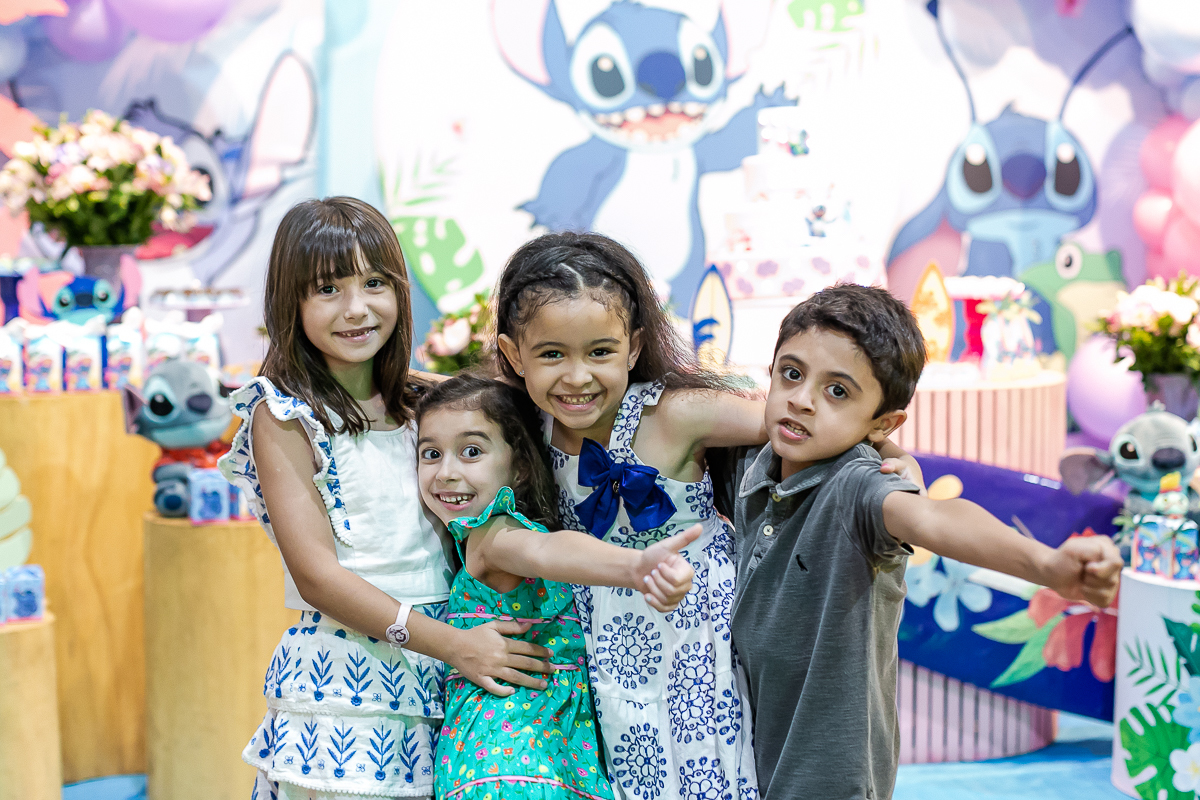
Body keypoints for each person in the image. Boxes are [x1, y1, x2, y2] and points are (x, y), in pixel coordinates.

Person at [491, 231, 918, 799]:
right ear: (515, 354)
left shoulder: (677, 414)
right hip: (610, 636)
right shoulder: (526, 429)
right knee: (636, 769)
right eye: (551, 355)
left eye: (599, 352)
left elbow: (794, 423)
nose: (576, 376)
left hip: (699, 631)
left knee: (710, 771)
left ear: (634, 346)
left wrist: (897, 456)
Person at [713, 283, 1123, 800]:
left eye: (837, 391)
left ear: (883, 423)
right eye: (792, 374)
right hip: (744, 762)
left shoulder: (857, 486)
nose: (802, 400)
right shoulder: (750, 462)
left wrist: (1047, 565)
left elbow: (935, 518)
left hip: (827, 778)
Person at [220, 197, 555, 800]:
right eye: (328, 288)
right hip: (353, 684)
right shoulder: (285, 415)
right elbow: (319, 577)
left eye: (375, 283)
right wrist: (455, 646)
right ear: (290, 302)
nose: (357, 308)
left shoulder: (426, 402)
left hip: (452, 673)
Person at [415, 374, 700, 799]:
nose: (446, 472)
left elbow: (544, 550)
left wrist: (634, 567)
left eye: (471, 451)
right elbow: (544, 550)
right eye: (430, 453)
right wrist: (634, 566)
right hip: (510, 766)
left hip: (519, 763)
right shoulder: (483, 536)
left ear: (521, 466)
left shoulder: (493, 532)